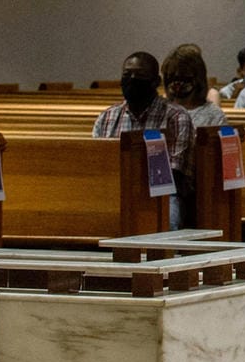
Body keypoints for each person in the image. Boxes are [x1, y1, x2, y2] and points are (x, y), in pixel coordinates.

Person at [92, 51, 194, 228]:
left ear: (155, 82)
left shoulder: (176, 117)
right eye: (127, 75)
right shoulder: (107, 117)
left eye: (140, 75)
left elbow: (175, 174)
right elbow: (97, 164)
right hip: (114, 192)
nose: (132, 79)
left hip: (160, 195)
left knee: (169, 219)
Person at [163, 43, 226, 129]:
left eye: (183, 75)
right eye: (171, 76)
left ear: (198, 79)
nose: (177, 82)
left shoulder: (214, 115)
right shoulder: (159, 111)